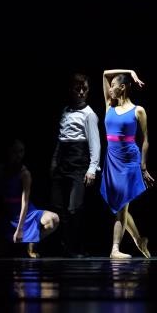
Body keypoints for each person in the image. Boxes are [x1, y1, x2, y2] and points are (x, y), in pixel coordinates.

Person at [100, 69, 154, 259]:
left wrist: (143, 167)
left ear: (122, 87)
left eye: (114, 86)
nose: (110, 88)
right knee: (119, 205)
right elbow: (105, 73)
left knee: (122, 204)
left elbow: (145, 140)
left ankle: (115, 249)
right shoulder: (109, 105)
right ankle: (139, 240)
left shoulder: (138, 110)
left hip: (129, 161)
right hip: (112, 160)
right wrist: (131, 71)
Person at [50, 73, 100, 257]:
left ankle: (77, 248)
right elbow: (61, 138)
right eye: (77, 89)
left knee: (74, 208)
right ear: (71, 90)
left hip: (79, 162)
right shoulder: (65, 110)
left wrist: (92, 168)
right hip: (62, 161)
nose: (81, 92)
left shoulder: (89, 114)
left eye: (84, 89)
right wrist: (54, 162)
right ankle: (64, 247)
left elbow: (95, 143)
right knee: (58, 207)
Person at [0, 139, 60, 258]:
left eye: (21, 151)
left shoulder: (24, 173)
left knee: (54, 219)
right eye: (15, 151)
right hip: (8, 213)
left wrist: (20, 228)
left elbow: (24, 202)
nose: (18, 155)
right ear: (8, 152)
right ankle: (4, 246)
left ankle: (32, 243)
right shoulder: (0, 170)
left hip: (26, 213)